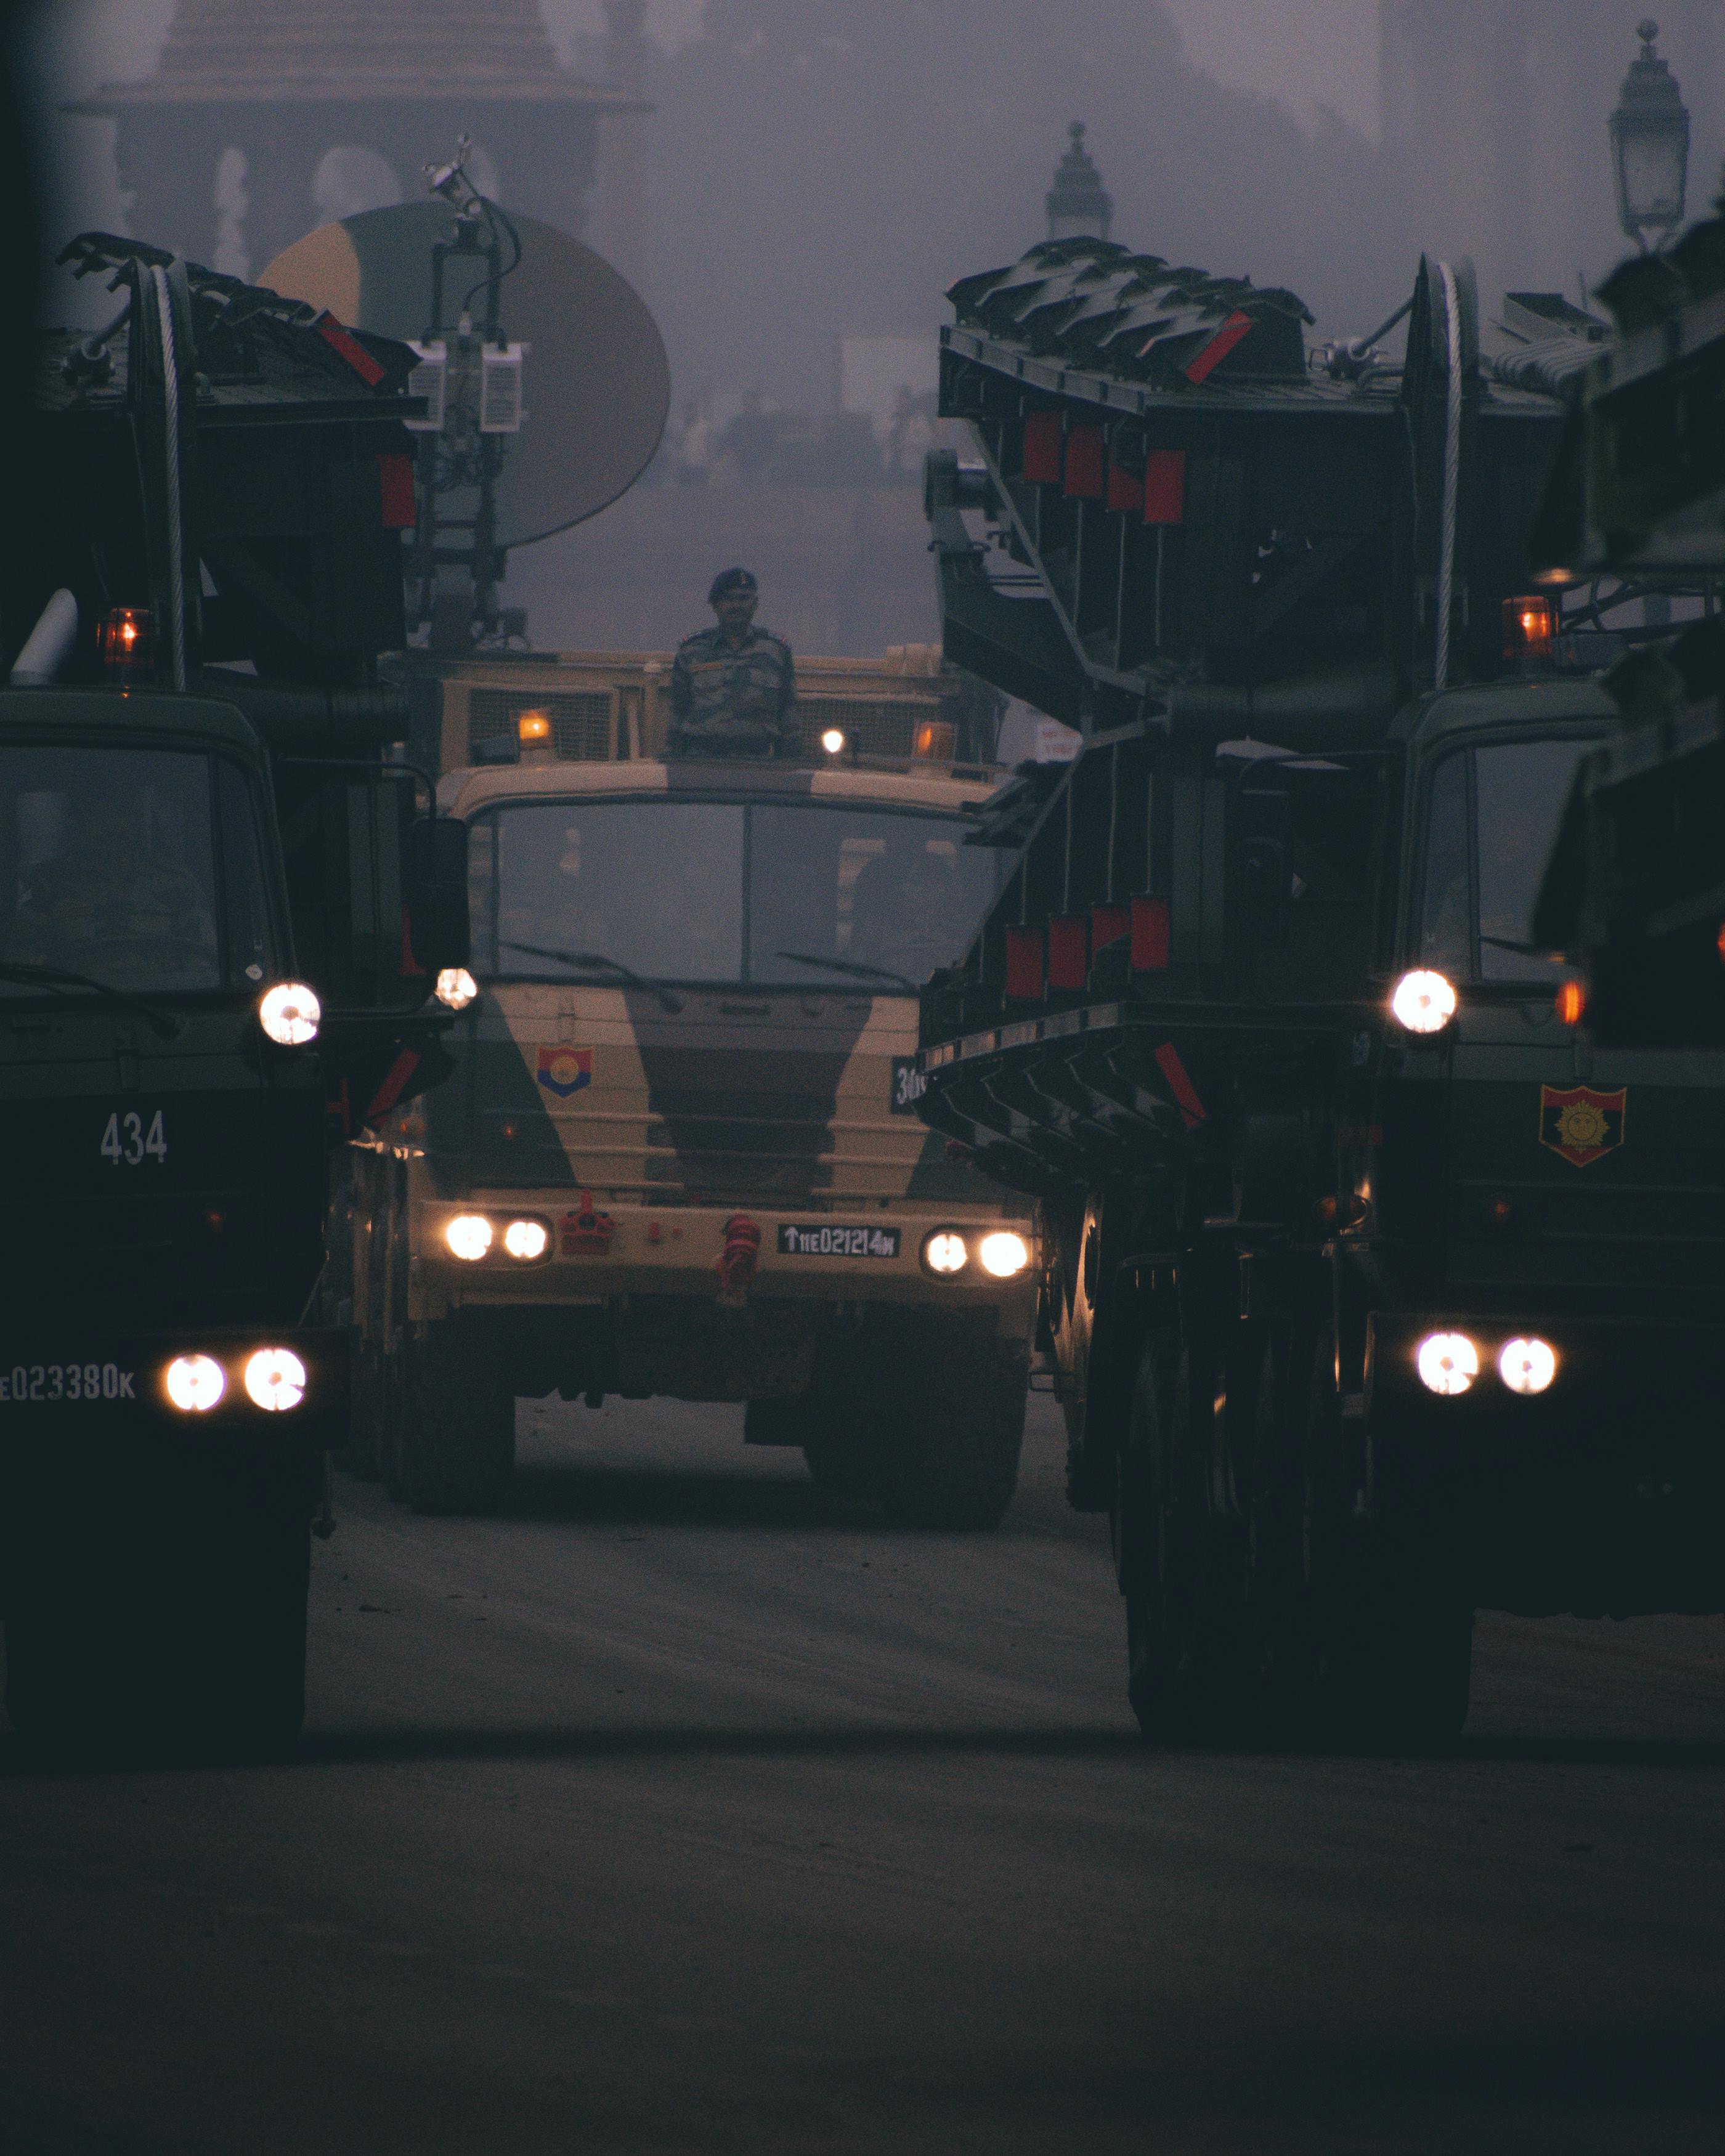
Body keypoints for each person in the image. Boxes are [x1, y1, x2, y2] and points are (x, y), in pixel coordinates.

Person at [668, 568, 798, 760]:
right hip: (700, 762)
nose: (736, 605)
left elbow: (788, 714)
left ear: (755, 604)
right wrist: (673, 762)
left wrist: (791, 766)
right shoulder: (692, 652)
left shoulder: (776, 652)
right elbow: (677, 713)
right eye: (728, 599)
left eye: (744, 598)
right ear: (715, 605)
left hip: (759, 763)